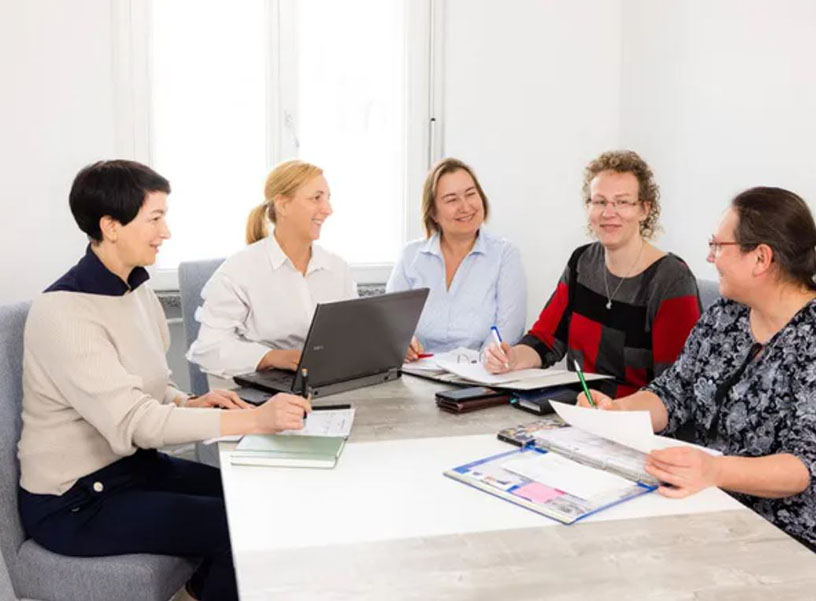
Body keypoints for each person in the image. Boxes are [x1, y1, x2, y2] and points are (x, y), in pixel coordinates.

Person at [17, 160, 312, 601]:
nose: (166, 231)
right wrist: (255, 421)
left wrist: (189, 402)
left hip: (133, 470)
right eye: (155, 218)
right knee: (238, 525)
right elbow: (137, 422)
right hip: (76, 502)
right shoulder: (64, 312)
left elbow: (152, 391)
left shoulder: (136, 289)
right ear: (111, 226)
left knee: (258, 499)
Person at [578, 186, 816, 581]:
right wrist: (616, 411)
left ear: (761, 258)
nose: (710, 257)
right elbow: (675, 393)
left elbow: (806, 467)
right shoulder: (726, 315)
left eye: (718, 245)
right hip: (722, 503)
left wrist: (713, 471)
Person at [485, 150, 700, 398]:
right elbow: (546, 340)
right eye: (599, 202)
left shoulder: (671, 279)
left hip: (636, 419)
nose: (609, 213)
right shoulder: (582, 262)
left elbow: (676, 388)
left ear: (644, 209)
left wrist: (613, 411)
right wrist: (511, 358)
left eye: (622, 202)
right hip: (580, 408)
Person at [187, 160, 357, 381]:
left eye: (328, 198)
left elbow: (352, 333)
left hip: (326, 384)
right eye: (316, 198)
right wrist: (270, 357)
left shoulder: (337, 268)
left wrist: (390, 341)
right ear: (283, 205)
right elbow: (209, 349)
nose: (328, 209)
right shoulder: (239, 271)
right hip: (261, 392)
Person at [386, 157, 526, 359]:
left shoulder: (505, 255)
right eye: (452, 200)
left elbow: (508, 331)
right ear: (433, 212)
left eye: (471, 194)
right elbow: (391, 324)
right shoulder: (410, 256)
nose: (465, 206)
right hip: (416, 373)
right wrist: (403, 344)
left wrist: (482, 366)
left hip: (479, 377)